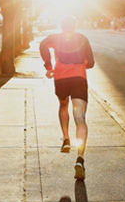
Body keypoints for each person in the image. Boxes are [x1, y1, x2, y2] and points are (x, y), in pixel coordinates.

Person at [39, 16, 95, 180]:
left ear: (62, 26)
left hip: (61, 78)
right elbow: (91, 63)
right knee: (80, 118)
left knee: (63, 105)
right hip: (78, 78)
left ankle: (66, 138)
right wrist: (82, 62)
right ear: (75, 26)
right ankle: (80, 159)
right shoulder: (83, 39)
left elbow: (43, 45)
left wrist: (49, 66)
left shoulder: (55, 38)